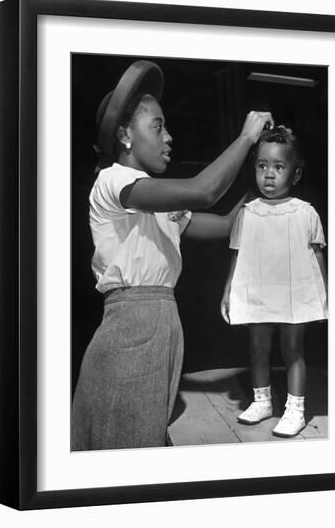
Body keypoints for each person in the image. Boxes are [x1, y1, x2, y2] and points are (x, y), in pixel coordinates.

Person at [71, 60, 274, 451]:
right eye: (157, 126)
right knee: (127, 453)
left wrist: (262, 177)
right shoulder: (114, 180)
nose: (169, 137)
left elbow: (229, 224)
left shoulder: (157, 202)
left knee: (143, 443)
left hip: (162, 324)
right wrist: (246, 137)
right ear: (125, 136)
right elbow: (203, 190)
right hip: (131, 327)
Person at [221, 125, 328, 437]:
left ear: (294, 174)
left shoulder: (306, 212)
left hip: (294, 292)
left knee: (292, 347)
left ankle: (295, 410)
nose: (269, 174)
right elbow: (237, 254)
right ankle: (262, 400)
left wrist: (324, 295)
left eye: (278, 167)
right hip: (259, 290)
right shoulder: (247, 212)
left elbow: (317, 255)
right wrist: (228, 290)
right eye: (262, 166)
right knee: (257, 346)